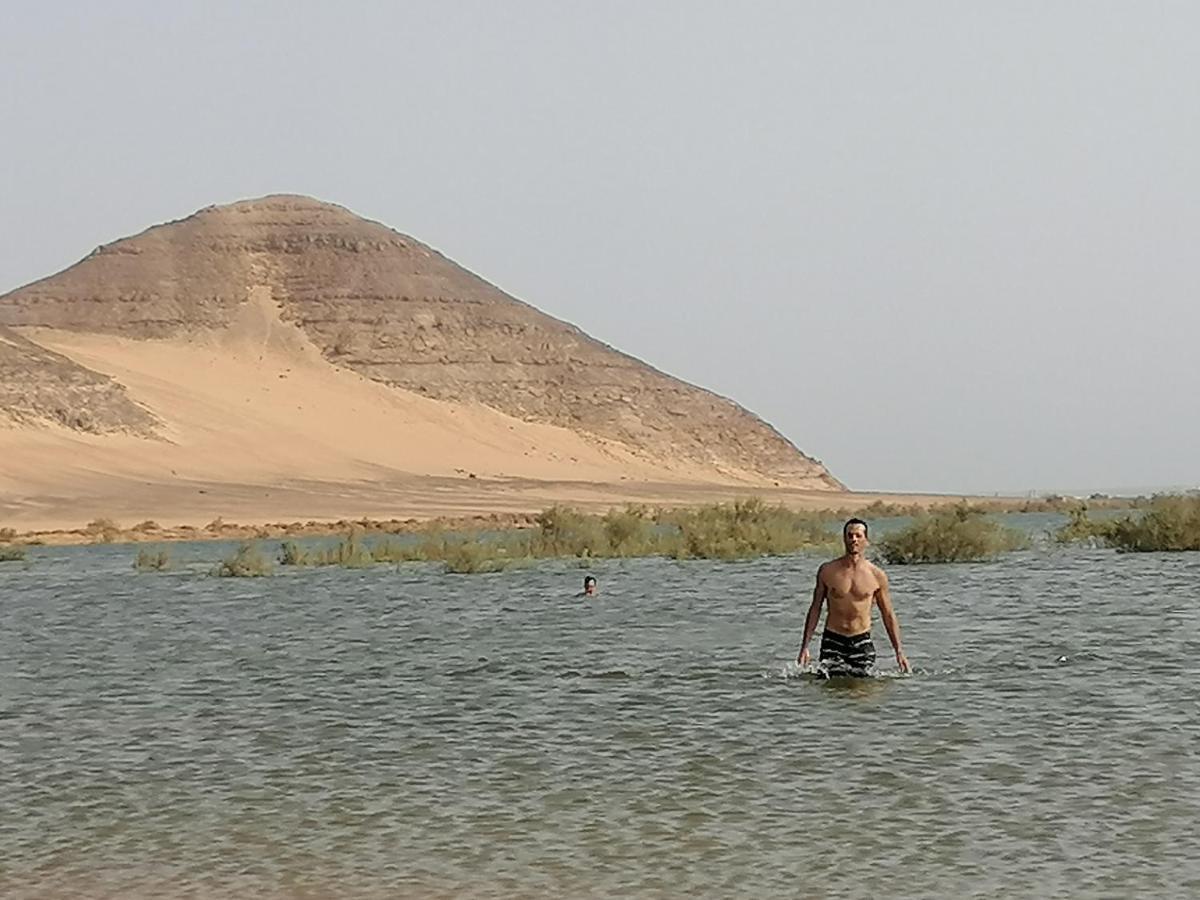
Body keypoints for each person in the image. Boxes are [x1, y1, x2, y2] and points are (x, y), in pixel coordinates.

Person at [797, 518, 910, 676]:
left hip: (861, 640)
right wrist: (805, 647)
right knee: (830, 692)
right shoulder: (828, 571)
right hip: (833, 639)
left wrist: (899, 652)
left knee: (862, 693)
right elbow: (815, 608)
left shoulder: (877, 576)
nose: (853, 540)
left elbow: (888, 614)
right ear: (844, 538)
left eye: (858, 536)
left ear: (866, 540)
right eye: (850, 535)